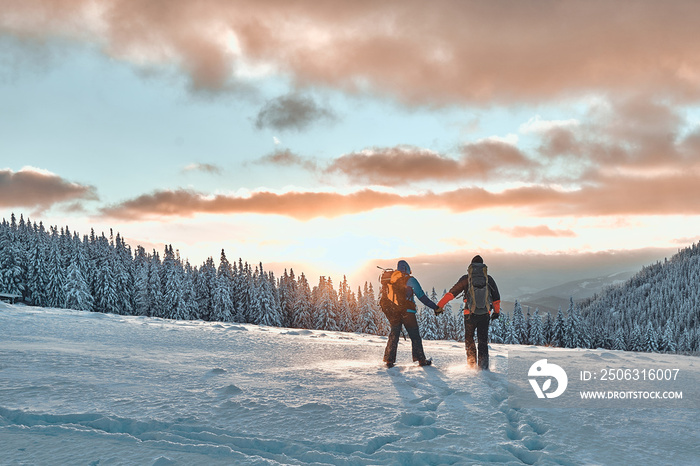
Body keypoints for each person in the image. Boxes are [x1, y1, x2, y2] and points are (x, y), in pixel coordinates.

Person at [437, 255, 501, 370]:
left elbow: (452, 293)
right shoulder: (488, 279)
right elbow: (496, 298)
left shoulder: (466, 278)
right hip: (484, 314)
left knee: (469, 339)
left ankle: (471, 365)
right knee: (482, 341)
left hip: (469, 315)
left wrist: (439, 306)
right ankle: (483, 368)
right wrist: (496, 312)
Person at [381, 260, 440, 368]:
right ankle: (421, 360)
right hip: (408, 312)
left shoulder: (392, 279)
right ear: (408, 269)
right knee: (415, 336)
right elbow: (422, 296)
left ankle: (389, 361)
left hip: (395, 312)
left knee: (394, 336)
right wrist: (435, 307)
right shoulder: (411, 280)